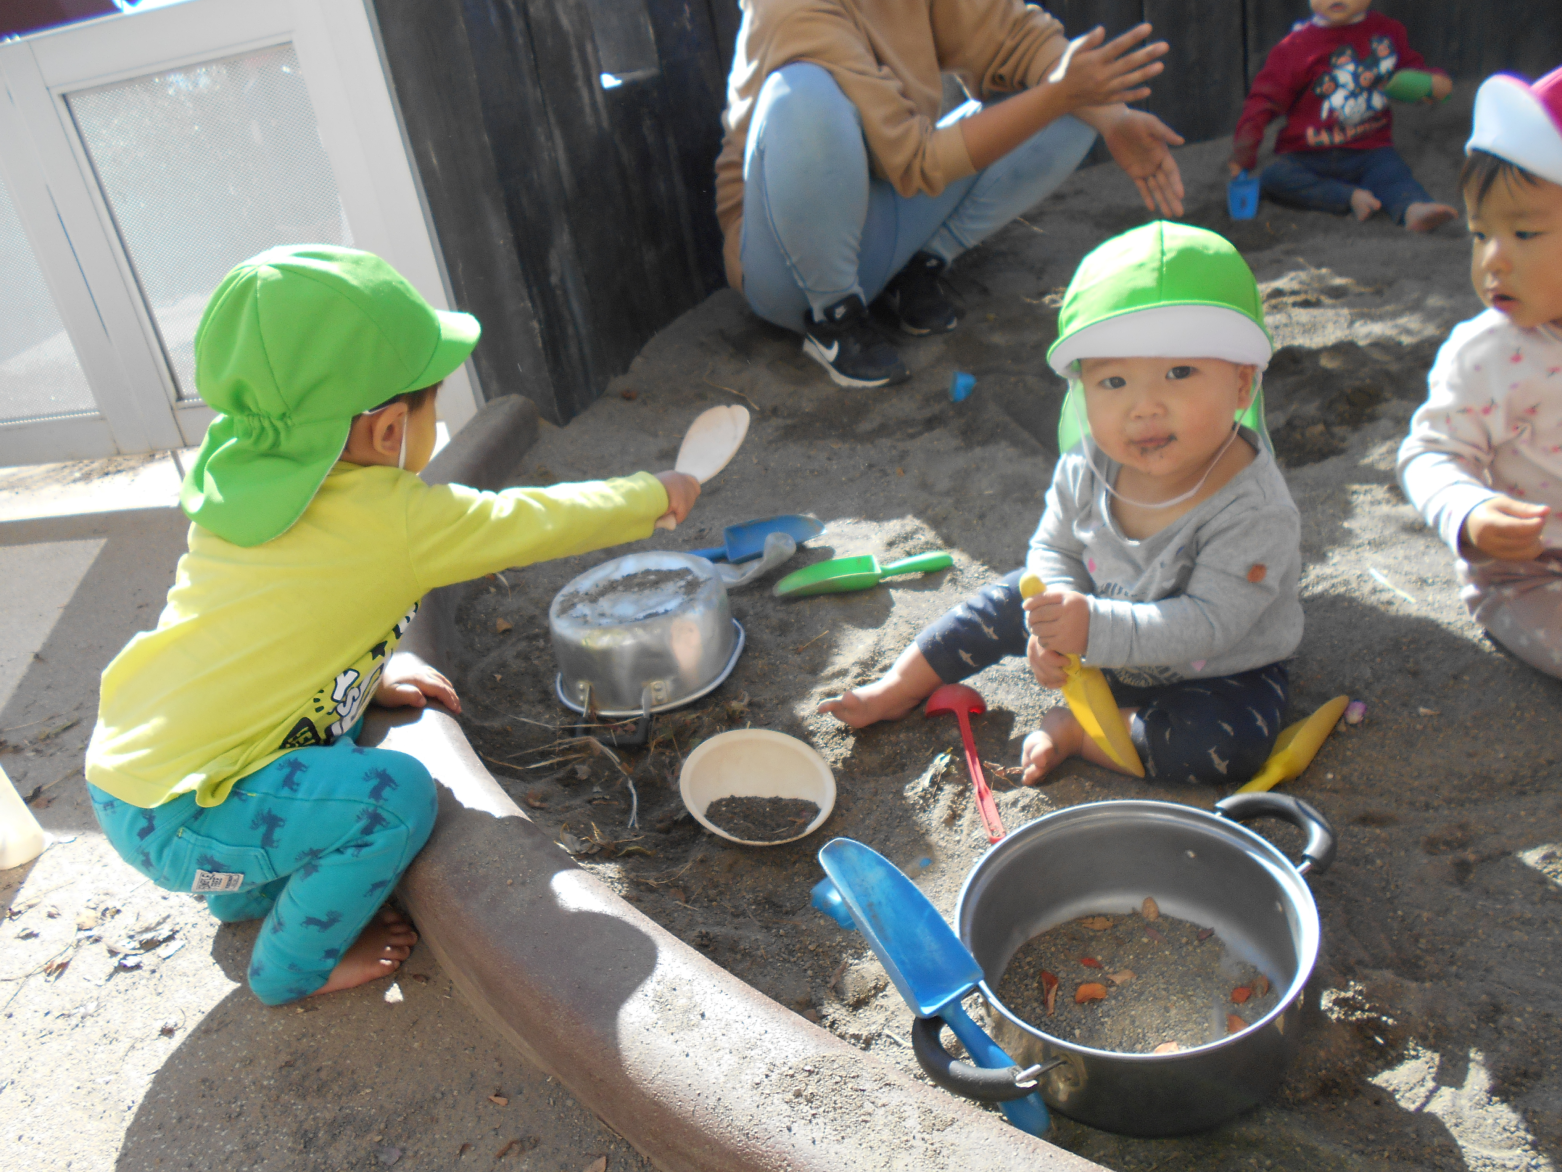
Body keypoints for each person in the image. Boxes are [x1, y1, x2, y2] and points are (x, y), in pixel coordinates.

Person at [83, 245, 700, 1005]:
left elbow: (281, 625)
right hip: (187, 809)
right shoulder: (394, 519)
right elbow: (528, 521)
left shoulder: (242, 475)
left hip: (143, 771)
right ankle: (292, 969)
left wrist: (369, 673)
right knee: (395, 799)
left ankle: (246, 884)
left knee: (334, 752)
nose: (436, 422)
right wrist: (653, 494)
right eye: (431, 405)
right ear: (384, 434)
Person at [820, 222, 1303, 786]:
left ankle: (1081, 732)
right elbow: (1052, 547)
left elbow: (1209, 624)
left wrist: (1090, 629)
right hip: (1092, 627)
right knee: (1009, 595)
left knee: (1225, 746)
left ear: (1242, 386)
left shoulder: (1253, 508)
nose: (1144, 407)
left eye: (1179, 372)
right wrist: (1051, 612)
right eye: (1114, 381)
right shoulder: (1088, 464)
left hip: (1213, 669)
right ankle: (899, 686)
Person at [715, 0, 1189, 389]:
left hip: (883, 220)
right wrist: (1059, 93)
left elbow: (1019, 38)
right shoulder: (788, 8)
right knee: (802, 97)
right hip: (788, 266)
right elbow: (917, 161)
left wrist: (1113, 120)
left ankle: (918, 267)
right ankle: (835, 321)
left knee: (1076, 103)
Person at [1398, 65, 1562, 676]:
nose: (1493, 257)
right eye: (1479, 233)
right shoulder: (1485, 353)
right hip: (1529, 573)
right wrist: (1467, 512)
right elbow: (1429, 453)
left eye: (1523, 232)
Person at [1228, 0, 1457, 232]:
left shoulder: (1386, 32)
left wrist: (1434, 83)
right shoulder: (1294, 47)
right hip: (1307, 154)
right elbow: (1263, 101)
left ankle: (1413, 209)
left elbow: (1413, 71)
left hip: (1370, 148)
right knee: (1274, 177)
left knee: (1394, 176)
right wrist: (1244, 151)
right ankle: (1348, 197)